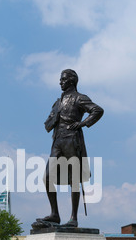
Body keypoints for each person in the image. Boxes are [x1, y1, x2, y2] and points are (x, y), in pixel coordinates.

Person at [38, 69, 104, 228]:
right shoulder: (58, 102)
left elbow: (97, 110)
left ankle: (73, 217)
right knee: (47, 177)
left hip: (71, 140)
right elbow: (49, 121)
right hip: (57, 141)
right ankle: (55, 214)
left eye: (63, 79)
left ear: (72, 81)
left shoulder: (79, 98)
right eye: (60, 79)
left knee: (74, 178)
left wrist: (82, 123)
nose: (60, 82)